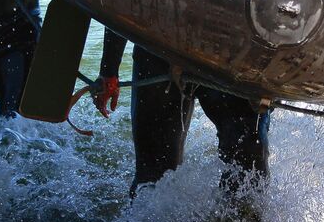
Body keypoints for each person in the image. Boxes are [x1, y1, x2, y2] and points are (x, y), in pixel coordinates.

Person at [93, 31, 271, 195]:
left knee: (249, 162)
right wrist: (109, 69)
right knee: (154, 179)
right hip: (160, 43)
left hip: (237, 49)